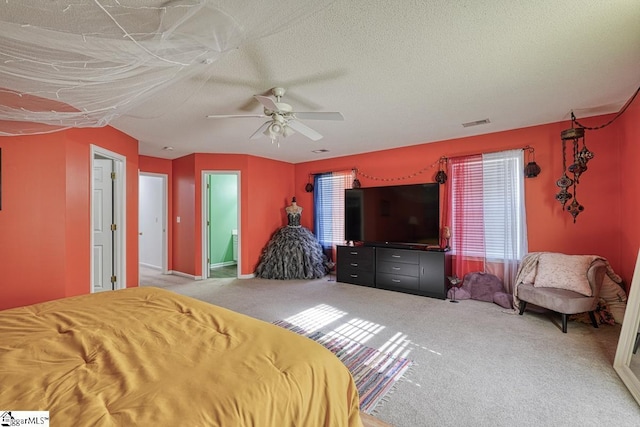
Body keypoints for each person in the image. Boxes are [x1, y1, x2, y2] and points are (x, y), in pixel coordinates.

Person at [255, 197, 328, 279]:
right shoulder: (287, 209)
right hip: (288, 230)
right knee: (282, 250)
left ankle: (302, 271)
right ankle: (284, 272)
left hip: (299, 230)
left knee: (304, 250)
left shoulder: (300, 208)